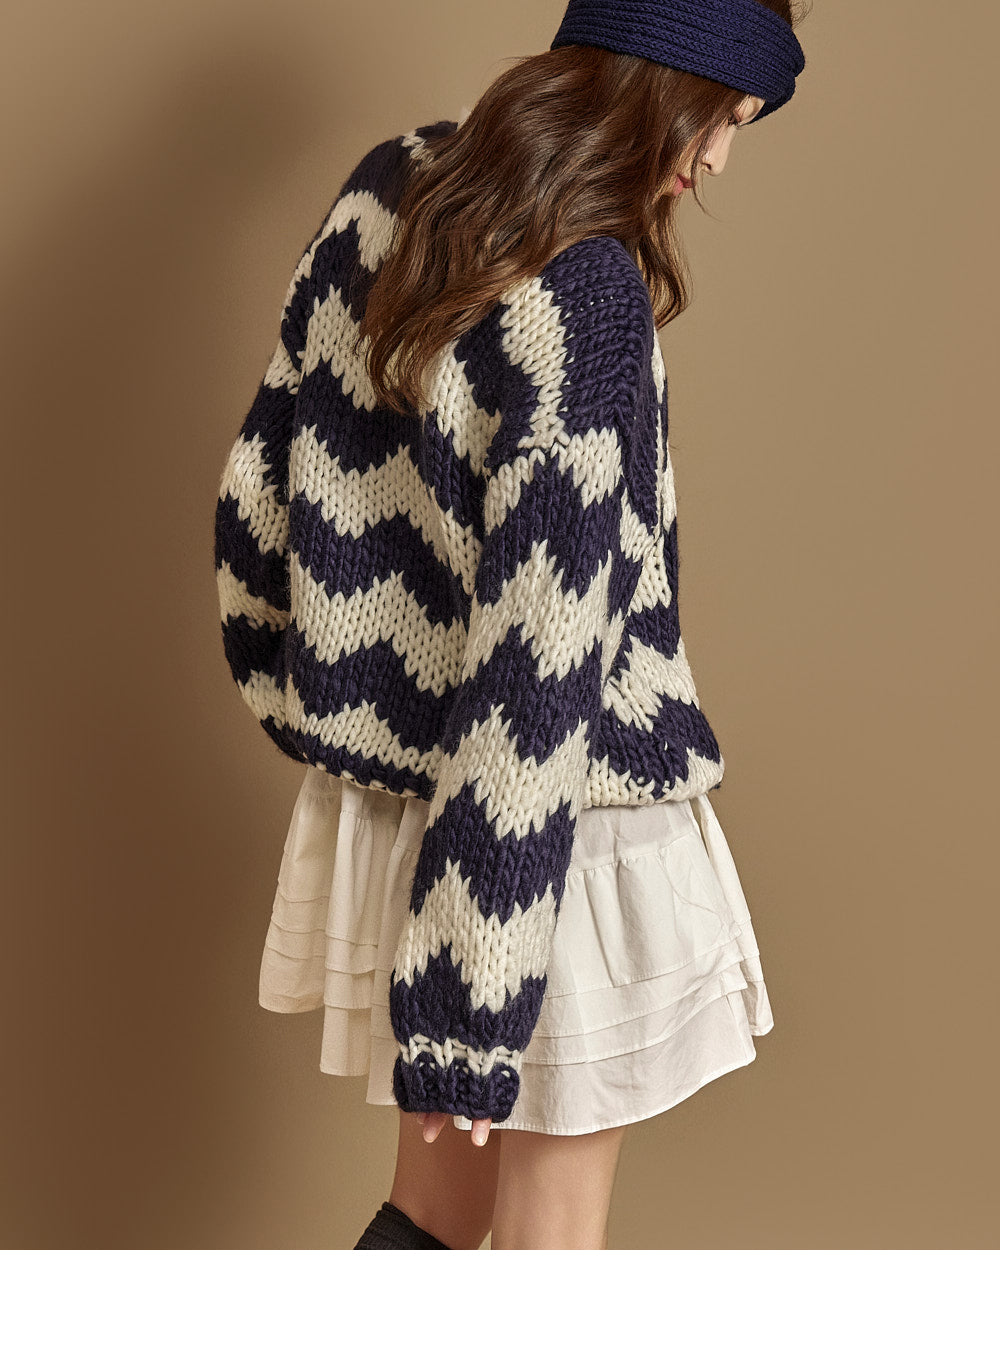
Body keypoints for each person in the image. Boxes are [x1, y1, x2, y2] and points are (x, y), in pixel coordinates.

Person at [213, 0, 807, 1250]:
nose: (716, 160)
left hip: (422, 811)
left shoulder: (393, 187)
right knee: (550, 1250)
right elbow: (541, 668)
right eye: (721, 118)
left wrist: (314, 697)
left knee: (429, 1217)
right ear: (665, 78)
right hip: (552, 834)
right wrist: (471, 997)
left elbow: (264, 480)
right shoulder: (589, 294)